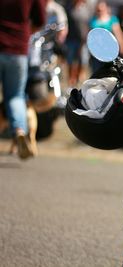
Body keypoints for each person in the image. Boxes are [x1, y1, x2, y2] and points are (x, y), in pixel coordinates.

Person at [0, 0, 46, 159]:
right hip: (18, 48)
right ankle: (19, 130)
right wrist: (25, 33)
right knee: (15, 96)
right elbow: (40, 19)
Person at [88, 0, 123, 72]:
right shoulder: (93, 20)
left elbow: (118, 33)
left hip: (109, 50)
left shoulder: (112, 19)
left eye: (101, 9)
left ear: (106, 8)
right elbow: (90, 35)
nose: (100, 11)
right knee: (96, 71)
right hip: (97, 51)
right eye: (98, 10)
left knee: (109, 71)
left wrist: (122, 45)